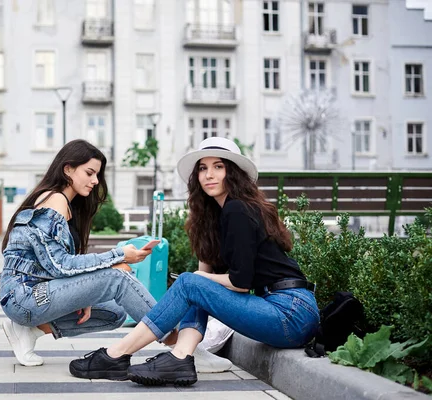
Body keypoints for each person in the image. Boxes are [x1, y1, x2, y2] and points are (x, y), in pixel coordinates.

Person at [69, 137, 320, 386]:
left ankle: (118, 354)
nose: (209, 174)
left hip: (290, 313)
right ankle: (181, 357)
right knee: (194, 283)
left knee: (192, 282)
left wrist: (197, 280)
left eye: (218, 167)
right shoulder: (218, 215)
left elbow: (241, 282)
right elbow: (203, 282)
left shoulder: (238, 209)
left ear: (233, 173)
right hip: (278, 309)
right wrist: (201, 263)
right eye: (203, 168)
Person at [0, 139, 162, 373]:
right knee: (117, 278)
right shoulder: (52, 200)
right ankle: (178, 342)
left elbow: (56, 265)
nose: (95, 181)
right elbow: (60, 266)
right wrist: (119, 256)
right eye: (89, 172)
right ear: (68, 169)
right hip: (24, 297)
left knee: (114, 314)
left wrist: (83, 293)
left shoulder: (67, 205)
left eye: (97, 174)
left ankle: (29, 331)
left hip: (40, 293)